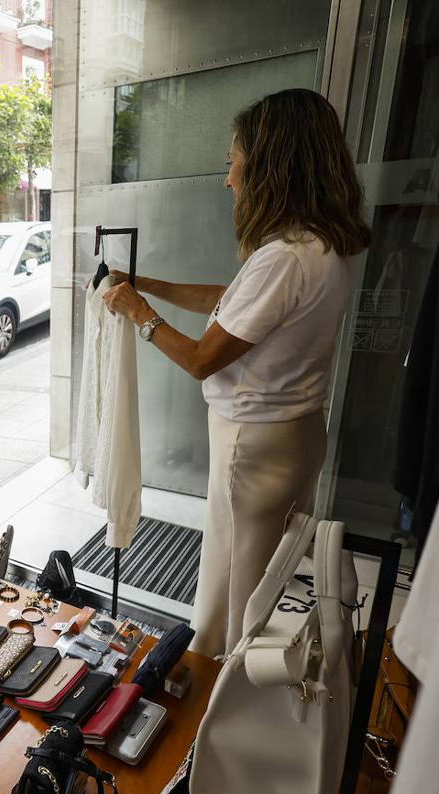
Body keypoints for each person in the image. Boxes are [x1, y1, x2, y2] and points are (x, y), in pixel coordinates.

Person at [100, 89, 371, 657]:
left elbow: (203, 358)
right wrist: (145, 282)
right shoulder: (323, 245)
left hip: (253, 448)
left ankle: (216, 706)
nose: (229, 178)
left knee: (230, 591)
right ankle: (236, 692)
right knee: (262, 577)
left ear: (271, 163)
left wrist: (139, 313)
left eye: (233, 159)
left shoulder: (283, 257)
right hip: (296, 434)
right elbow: (235, 302)